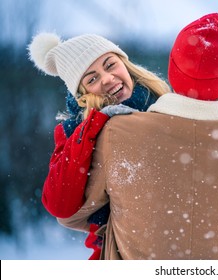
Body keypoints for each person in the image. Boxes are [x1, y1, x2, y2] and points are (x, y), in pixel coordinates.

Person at [58, 13, 218, 260]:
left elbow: (71, 213)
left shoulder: (118, 134)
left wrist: (130, 212)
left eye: (110, 65)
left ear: (172, 67)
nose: (108, 79)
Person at [28, 33, 171, 259]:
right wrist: (95, 124)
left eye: (110, 65)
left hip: (179, 247)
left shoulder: (166, 104)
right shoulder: (75, 133)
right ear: (82, 94)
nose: (107, 78)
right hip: (120, 252)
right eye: (92, 79)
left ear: (124, 63)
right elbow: (59, 205)